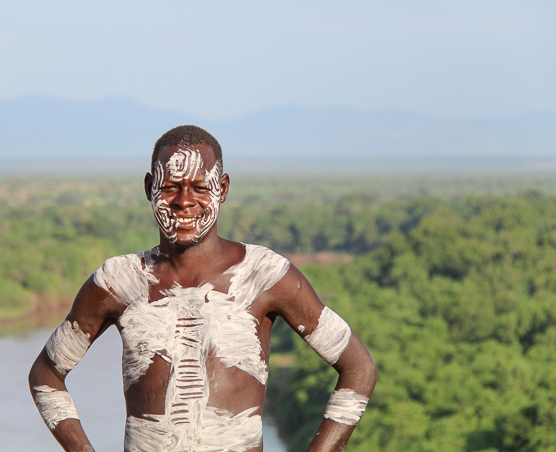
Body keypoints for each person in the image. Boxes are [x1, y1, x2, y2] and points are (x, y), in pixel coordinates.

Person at [28, 125, 377, 452]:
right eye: (170, 187)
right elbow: (46, 375)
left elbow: (359, 368)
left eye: (199, 187)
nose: (184, 201)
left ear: (222, 189)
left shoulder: (264, 275)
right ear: (149, 187)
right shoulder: (120, 281)